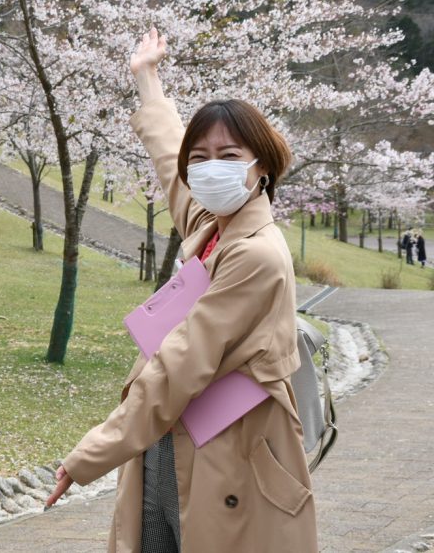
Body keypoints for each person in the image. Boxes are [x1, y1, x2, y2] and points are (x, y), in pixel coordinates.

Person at [46, 29, 318, 552]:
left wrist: (90, 455)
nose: (210, 167)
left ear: (261, 167)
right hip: (172, 440)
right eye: (202, 157)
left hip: (230, 451)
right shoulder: (214, 224)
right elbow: (171, 157)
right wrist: (147, 76)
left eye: (229, 154)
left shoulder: (255, 254)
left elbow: (179, 366)